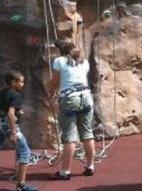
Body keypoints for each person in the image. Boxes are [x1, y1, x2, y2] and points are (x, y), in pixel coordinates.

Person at [47, 37, 95, 180]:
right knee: (87, 133)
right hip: (86, 96)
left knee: (69, 136)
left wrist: (51, 92)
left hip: (69, 98)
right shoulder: (84, 62)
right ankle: (90, 166)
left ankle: (65, 171)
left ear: (61, 51)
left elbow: (55, 82)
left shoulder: (59, 61)